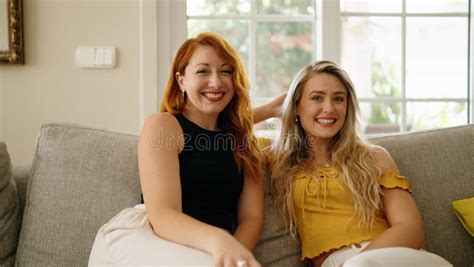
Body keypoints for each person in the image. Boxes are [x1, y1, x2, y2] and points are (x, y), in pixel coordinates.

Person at [89, 32, 273, 267]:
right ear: (181, 80)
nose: (216, 82)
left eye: (226, 71)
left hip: (205, 253)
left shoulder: (244, 143)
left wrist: (233, 256)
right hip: (143, 236)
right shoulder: (164, 126)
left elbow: (252, 218)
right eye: (202, 71)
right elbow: (163, 215)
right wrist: (218, 240)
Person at [269, 60, 452, 267]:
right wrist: (270, 110)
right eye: (317, 98)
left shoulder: (373, 156)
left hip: (397, 258)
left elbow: (411, 230)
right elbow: (230, 129)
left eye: (338, 99)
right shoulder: (279, 158)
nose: (329, 108)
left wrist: (356, 262)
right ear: (295, 107)